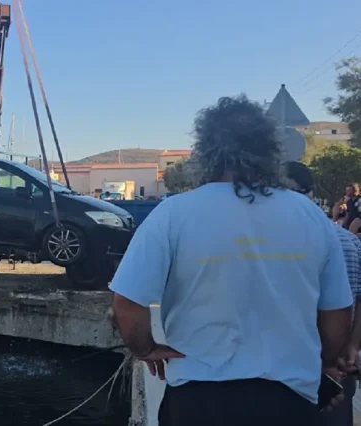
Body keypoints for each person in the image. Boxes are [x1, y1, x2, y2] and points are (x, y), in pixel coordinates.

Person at [109, 95, 353, 426]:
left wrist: (144, 349)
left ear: (207, 151)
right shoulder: (309, 215)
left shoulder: (173, 213)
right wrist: (326, 360)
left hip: (196, 400)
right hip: (289, 400)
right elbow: (337, 311)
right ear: (270, 150)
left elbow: (127, 303)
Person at [283, 161, 361, 426]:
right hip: (340, 368)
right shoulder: (347, 240)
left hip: (292, 369)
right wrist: (351, 346)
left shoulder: (271, 244)